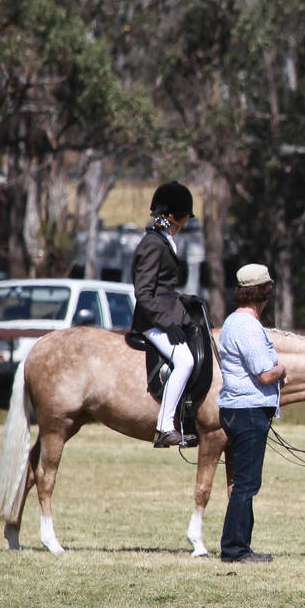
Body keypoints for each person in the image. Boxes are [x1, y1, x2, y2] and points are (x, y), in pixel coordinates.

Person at [217, 264, 287, 564]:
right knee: (246, 483)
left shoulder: (233, 321)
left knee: (245, 482)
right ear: (265, 292)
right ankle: (235, 549)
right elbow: (265, 374)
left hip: (237, 409)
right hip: (247, 411)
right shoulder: (247, 326)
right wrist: (283, 369)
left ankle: (241, 546)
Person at [130, 181, 197, 448]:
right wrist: (167, 324)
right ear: (171, 216)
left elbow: (164, 288)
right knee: (185, 361)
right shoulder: (153, 244)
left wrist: (186, 301)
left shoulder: (164, 240)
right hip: (151, 321)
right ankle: (164, 427)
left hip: (166, 314)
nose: (186, 222)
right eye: (184, 217)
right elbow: (144, 293)